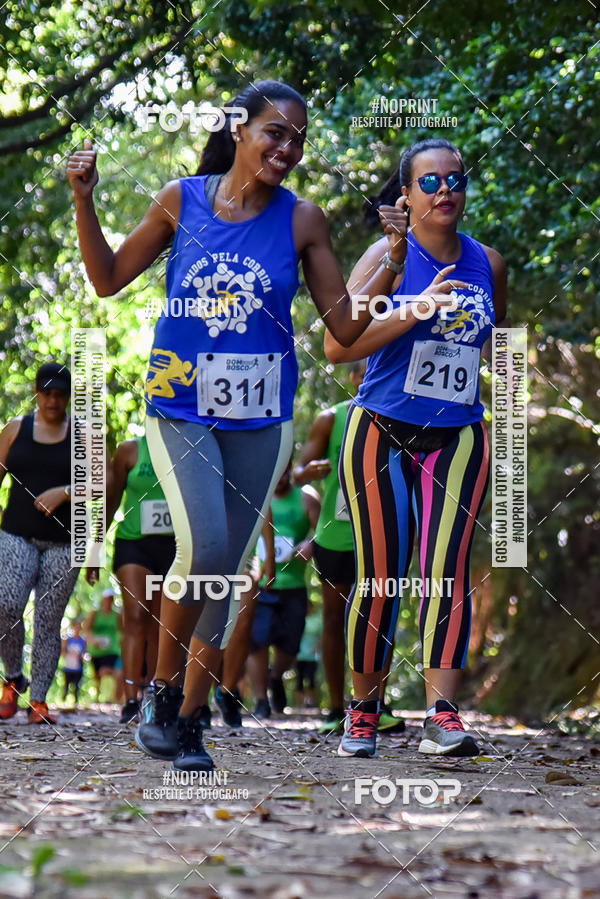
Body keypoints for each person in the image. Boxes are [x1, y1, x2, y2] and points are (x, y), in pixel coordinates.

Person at [67, 80, 376, 772]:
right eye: (276, 132)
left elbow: (346, 328)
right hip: (180, 403)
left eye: (298, 138)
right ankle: (159, 692)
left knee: (226, 571)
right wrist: (84, 201)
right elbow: (109, 277)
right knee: (204, 544)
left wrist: (402, 279)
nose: (288, 148)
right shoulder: (184, 199)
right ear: (239, 129)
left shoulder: (304, 221)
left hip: (262, 415)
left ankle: (191, 718)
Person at [325, 138, 507, 758]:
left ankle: (442, 715)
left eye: (455, 180)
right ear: (405, 195)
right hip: (378, 430)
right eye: (429, 183)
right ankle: (364, 711)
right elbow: (338, 346)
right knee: (381, 576)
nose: (445, 191)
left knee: (446, 571)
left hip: (459, 434)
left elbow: (493, 346)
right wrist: (416, 309)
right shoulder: (386, 256)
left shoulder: (489, 263)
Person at [294, 361, 405, 735]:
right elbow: (297, 472)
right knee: (333, 620)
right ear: (353, 378)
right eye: (360, 371)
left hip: (381, 531)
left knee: (380, 616)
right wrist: (309, 471)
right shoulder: (331, 419)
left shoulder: (402, 415)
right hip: (335, 535)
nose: (366, 376)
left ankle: (374, 704)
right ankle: (333, 706)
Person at [0, 362, 79, 724]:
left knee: (49, 621)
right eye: (46, 392)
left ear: (67, 397)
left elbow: (103, 487)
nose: (52, 400)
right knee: (7, 605)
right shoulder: (16, 429)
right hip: (16, 533)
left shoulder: (83, 434)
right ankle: (13, 677)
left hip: (63, 542)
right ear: (37, 393)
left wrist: (65, 492)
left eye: (60, 393)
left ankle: (40, 700)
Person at [107, 434, 176, 723]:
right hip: (133, 543)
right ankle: (131, 697)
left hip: (174, 547)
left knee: (160, 624)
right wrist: (95, 550)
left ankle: (155, 692)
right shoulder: (129, 450)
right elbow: (111, 500)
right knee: (135, 616)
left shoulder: (190, 447)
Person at [246, 462, 320, 718]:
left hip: (294, 585)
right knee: (257, 641)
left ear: (290, 470)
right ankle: (260, 700)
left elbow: (323, 532)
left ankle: (276, 676)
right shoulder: (254, 496)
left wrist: (311, 544)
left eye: (283, 472)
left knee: (290, 644)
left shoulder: (307, 498)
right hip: (263, 584)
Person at [84, 587, 123, 702]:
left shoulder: (117, 615)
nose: (109, 601)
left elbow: (123, 631)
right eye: (107, 599)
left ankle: (111, 698)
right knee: (97, 676)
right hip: (96, 650)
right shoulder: (95, 613)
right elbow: (86, 628)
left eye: (111, 599)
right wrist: (93, 640)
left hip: (112, 649)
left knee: (106, 671)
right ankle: (98, 698)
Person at [294, 599, 322, 708]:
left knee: (311, 679)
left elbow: (320, 636)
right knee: (299, 679)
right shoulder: (298, 619)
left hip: (312, 655)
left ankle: (311, 702)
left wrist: (317, 648)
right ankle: (299, 704)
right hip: (299, 655)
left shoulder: (317, 620)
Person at [61, 619, 87, 705]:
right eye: (76, 626)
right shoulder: (68, 640)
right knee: (66, 686)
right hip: (68, 666)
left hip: (78, 667)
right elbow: (63, 652)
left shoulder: (83, 641)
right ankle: (63, 701)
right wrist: (70, 653)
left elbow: (85, 654)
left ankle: (76, 702)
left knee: (77, 686)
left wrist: (81, 656)